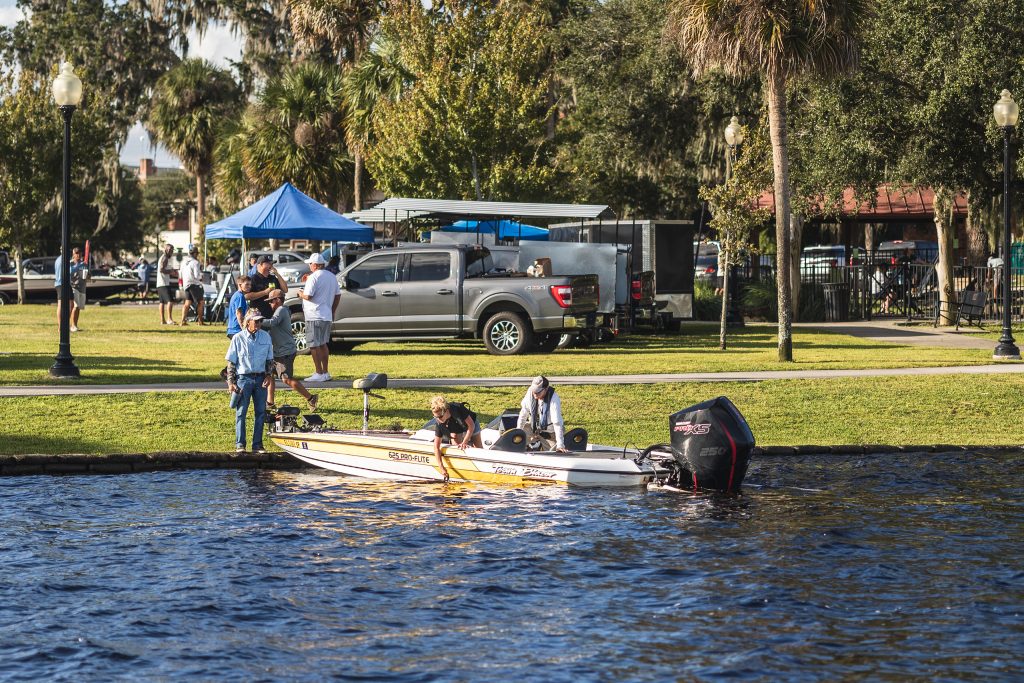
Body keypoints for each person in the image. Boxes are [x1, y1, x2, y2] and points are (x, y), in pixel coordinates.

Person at [225, 309, 275, 454]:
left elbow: (270, 360)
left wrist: (268, 376)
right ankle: (240, 444)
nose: (259, 323)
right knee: (241, 413)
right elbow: (231, 363)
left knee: (260, 412)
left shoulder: (266, 336)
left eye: (261, 321)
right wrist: (231, 383)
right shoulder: (237, 338)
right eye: (256, 321)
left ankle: (257, 445)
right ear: (248, 322)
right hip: (243, 379)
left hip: (261, 379)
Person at [262, 289, 318, 412]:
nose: (270, 304)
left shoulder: (281, 310)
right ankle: (270, 403)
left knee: (286, 379)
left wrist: (257, 321)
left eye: (271, 301)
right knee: (270, 375)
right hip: (277, 351)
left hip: (285, 352)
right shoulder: (281, 310)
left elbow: (272, 322)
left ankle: (311, 398)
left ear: (278, 300)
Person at [296, 253, 340, 382]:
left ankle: (319, 372)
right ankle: (325, 372)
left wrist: (300, 293)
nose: (309, 266)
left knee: (314, 345)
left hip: (313, 315)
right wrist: (332, 310)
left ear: (315, 265)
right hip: (326, 315)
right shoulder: (332, 276)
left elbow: (308, 296)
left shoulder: (313, 277)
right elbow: (338, 295)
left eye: (310, 264)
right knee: (323, 344)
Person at [429, 395, 481, 481]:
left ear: (446, 411)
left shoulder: (457, 408)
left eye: (440, 417)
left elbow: (471, 426)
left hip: (471, 424)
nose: (439, 420)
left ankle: (479, 470)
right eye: (436, 417)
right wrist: (441, 467)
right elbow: (436, 447)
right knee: (456, 449)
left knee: (478, 449)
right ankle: (462, 471)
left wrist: (465, 442)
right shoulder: (439, 423)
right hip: (456, 428)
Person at [516, 376, 567, 452]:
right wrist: (517, 432)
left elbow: (557, 424)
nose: (535, 394)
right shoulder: (530, 393)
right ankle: (529, 446)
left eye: (538, 392)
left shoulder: (554, 399)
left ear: (546, 389)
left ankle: (541, 445)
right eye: (534, 391)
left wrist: (560, 445)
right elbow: (523, 415)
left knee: (553, 453)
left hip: (550, 433)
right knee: (517, 434)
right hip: (534, 428)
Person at [54, 246, 87, 332]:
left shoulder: (58, 259)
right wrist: (80, 266)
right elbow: (69, 271)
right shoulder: (64, 260)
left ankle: (64, 325)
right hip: (62, 283)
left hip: (63, 283)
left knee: (71, 304)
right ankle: (61, 327)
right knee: (61, 304)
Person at [247, 255, 288, 319]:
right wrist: (265, 292)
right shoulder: (253, 279)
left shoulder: (273, 278)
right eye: (269, 264)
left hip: (273, 316)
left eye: (272, 264)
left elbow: (285, 290)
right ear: (260, 265)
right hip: (259, 316)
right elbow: (247, 296)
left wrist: (277, 274)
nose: (271, 266)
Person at [178, 244, 206, 326]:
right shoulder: (195, 263)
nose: (197, 255)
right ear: (194, 253)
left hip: (186, 285)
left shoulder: (184, 262)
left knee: (187, 303)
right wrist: (202, 277)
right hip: (194, 285)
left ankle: (183, 321)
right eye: (197, 253)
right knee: (201, 302)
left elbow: (180, 274)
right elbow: (197, 276)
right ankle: (200, 321)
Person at [156, 243, 177, 325]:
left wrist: (171, 271)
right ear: (166, 250)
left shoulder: (163, 258)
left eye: (172, 250)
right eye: (171, 250)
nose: (172, 252)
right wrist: (170, 272)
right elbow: (161, 270)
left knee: (161, 302)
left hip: (160, 283)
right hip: (164, 283)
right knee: (170, 301)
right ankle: (169, 319)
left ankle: (163, 320)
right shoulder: (165, 258)